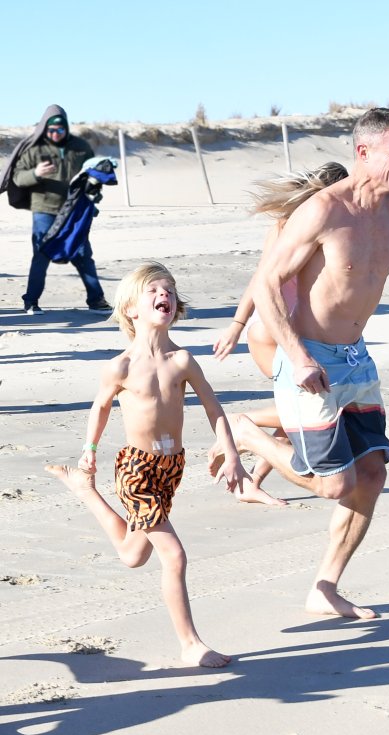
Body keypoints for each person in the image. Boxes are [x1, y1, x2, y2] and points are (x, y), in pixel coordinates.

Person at [209, 107, 389, 620]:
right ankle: (249, 434)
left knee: (372, 473)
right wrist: (295, 356)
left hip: (356, 361)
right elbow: (268, 284)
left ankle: (324, 586)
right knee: (335, 484)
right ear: (363, 152)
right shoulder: (323, 211)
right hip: (309, 360)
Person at [46, 261, 250, 666]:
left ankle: (85, 491)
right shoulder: (120, 366)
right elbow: (100, 406)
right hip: (135, 469)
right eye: (155, 291)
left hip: (170, 468)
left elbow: (214, 408)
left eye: (171, 291)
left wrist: (230, 452)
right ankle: (190, 644)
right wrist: (89, 447)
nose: (166, 296)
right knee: (173, 555)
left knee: (133, 555)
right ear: (131, 309)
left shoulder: (182, 361)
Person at [213, 162, 349, 506]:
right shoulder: (300, 227)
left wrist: (236, 327)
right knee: (312, 407)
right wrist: (236, 326)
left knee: (301, 406)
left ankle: (252, 482)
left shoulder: (300, 224)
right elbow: (261, 281)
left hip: (277, 330)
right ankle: (240, 426)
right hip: (275, 332)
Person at [9, 104, 112, 315]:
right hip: (44, 209)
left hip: (74, 211)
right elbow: (18, 177)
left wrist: (94, 192)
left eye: (60, 129)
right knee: (41, 254)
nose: (55, 133)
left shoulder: (81, 147)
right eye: (51, 129)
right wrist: (36, 173)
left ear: (66, 127)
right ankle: (31, 301)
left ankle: (96, 300)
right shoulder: (34, 150)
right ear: (45, 128)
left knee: (82, 253)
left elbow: (92, 176)